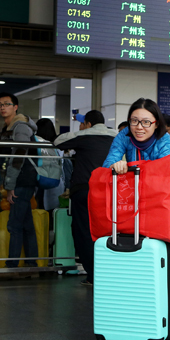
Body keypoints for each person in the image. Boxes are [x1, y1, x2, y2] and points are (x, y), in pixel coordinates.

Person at [55, 110, 117, 285]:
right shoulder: (115, 136)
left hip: (84, 189)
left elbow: (58, 141)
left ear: (89, 124)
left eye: (82, 124)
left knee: (83, 232)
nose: (81, 127)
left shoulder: (85, 136)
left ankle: (93, 276)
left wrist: (82, 133)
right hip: (110, 191)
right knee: (106, 233)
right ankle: (108, 274)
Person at [0, 92, 39, 273]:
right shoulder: (10, 127)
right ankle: (32, 264)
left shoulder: (20, 127)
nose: (2, 107)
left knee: (14, 224)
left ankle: (11, 267)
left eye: (6, 104)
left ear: (15, 107)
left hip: (21, 180)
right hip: (23, 180)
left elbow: (18, 155)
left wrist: (10, 185)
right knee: (26, 223)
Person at [103, 99, 170, 170]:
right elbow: (109, 162)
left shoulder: (166, 141)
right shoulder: (124, 135)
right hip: (132, 180)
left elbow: (165, 172)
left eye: (146, 122)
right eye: (134, 120)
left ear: (156, 124)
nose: (139, 127)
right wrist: (113, 165)